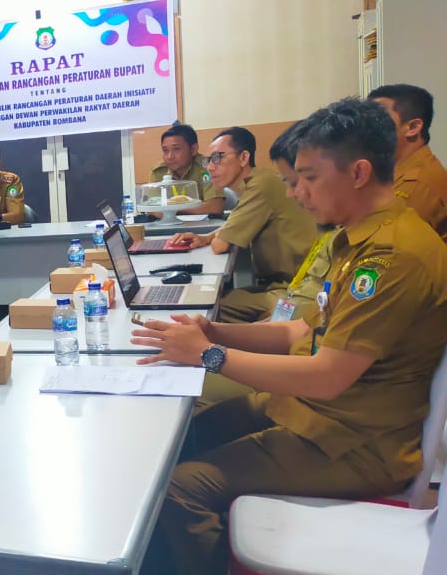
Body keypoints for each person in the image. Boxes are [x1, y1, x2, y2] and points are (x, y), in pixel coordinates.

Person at [135, 97, 447, 575]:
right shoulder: (356, 237)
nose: (298, 194)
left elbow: (327, 376)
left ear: (358, 172)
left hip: (355, 442)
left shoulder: (390, 256)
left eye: (309, 178)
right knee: (184, 435)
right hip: (316, 414)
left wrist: (210, 355)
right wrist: (215, 331)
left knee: (181, 487)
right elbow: (303, 329)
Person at [171, 127, 316, 323]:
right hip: (286, 283)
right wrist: (206, 238)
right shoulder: (257, 181)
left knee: (206, 306)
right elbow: (232, 226)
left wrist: (214, 239)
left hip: (296, 289)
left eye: (218, 158)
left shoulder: (260, 186)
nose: (210, 167)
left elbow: (220, 245)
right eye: (208, 160)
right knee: (210, 298)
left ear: (243, 158)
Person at [369, 84, 447, 241]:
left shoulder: (417, 185)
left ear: (413, 127)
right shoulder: (395, 171)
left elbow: (382, 244)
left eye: (377, 120)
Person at [150, 123, 221, 216]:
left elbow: (215, 207)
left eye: (176, 149)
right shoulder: (159, 172)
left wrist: (172, 209)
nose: (170, 156)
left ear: (193, 149)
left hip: (202, 223)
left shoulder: (207, 168)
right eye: (165, 150)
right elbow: (151, 207)